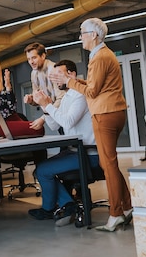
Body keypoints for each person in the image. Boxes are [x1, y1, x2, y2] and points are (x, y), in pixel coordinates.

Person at [48, 18, 133, 232]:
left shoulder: (100, 56)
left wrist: (69, 82)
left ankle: (115, 214)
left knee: (108, 165)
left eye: (82, 33)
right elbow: (94, 85)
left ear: (93, 35)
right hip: (110, 110)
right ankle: (126, 206)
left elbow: (92, 92)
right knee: (109, 164)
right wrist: (72, 79)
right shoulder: (100, 55)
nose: (80, 37)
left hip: (106, 113)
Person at [29, 60, 100, 226]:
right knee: (42, 169)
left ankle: (52, 208)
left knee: (43, 170)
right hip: (75, 151)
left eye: (59, 75)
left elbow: (68, 122)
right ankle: (68, 205)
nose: (56, 80)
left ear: (72, 75)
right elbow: (54, 124)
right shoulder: (68, 96)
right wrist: (46, 107)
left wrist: (48, 105)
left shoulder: (80, 95)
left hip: (88, 154)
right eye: (54, 76)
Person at [0, 54, 43, 139]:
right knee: (38, 129)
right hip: (0, 124)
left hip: (14, 118)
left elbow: (12, 107)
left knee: (39, 128)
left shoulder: (2, 86)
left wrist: (9, 88)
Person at [22, 43, 66, 131]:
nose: (31, 62)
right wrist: (32, 100)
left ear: (43, 56)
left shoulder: (54, 70)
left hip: (64, 114)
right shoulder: (34, 73)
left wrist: (43, 118)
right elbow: (39, 99)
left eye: (34, 58)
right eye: (29, 59)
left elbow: (62, 99)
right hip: (52, 115)